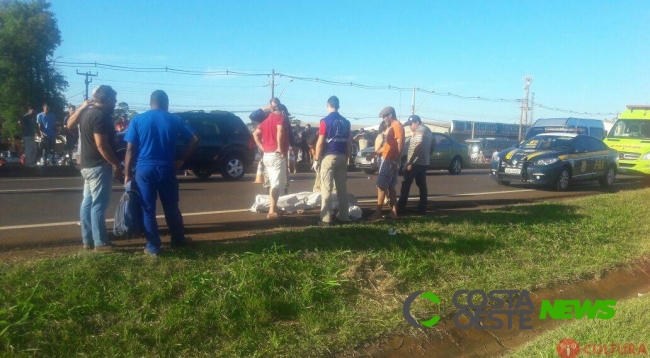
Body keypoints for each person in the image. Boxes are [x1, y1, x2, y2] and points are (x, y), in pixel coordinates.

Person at [124, 90, 200, 257]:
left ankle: (153, 247)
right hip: (166, 168)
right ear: (166, 103)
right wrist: (181, 159)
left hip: (144, 170)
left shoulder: (137, 120)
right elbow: (195, 138)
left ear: (151, 103)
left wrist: (127, 174)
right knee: (171, 207)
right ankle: (178, 240)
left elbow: (130, 149)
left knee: (148, 209)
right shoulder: (174, 119)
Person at [77, 85, 123, 252]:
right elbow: (101, 145)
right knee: (99, 205)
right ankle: (101, 243)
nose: (115, 103)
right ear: (109, 99)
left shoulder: (87, 114)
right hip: (98, 166)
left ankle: (88, 239)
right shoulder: (101, 116)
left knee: (87, 203)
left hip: (87, 164)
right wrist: (116, 164)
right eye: (115, 100)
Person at [313, 96, 351, 226]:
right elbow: (349, 143)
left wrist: (316, 159)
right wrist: (348, 158)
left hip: (329, 157)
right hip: (342, 157)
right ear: (338, 106)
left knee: (326, 189)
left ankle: (326, 219)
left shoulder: (325, 121)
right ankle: (344, 217)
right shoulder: (346, 122)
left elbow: (320, 142)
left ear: (328, 105)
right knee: (342, 190)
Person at [252, 103, 290, 219]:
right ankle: (272, 210)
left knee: (274, 183)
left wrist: (262, 147)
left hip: (267, 155)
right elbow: (280, 131)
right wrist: (279, 147)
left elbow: (255, 134)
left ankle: (274, 207)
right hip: (276, 155)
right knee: (276, 184)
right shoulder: (280, 119)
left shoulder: (267, 120)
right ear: (283, 111)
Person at [368, 106, 404, 220]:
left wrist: (395, 160)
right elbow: (388, 146)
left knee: (381, 186)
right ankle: (394, 212)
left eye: (384, 117)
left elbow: (400, 145)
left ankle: (378, 212)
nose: (383, 120)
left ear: (390, 115)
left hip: (389, 160)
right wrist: (375, 153)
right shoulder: (393, 127)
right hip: (389, 159)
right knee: (391, 187)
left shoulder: (397, 126)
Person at [397, 115, 432, 214]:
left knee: (406, 183)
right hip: (424, 162)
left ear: (416, 122)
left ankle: (401, 207)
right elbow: (433, 145)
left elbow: (418, 145)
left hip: (416, 162)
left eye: (411, 124)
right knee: (422, 185)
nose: (410, 127)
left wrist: (410, 162)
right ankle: (422, 207)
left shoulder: (420, 131)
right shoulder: (428, 130)